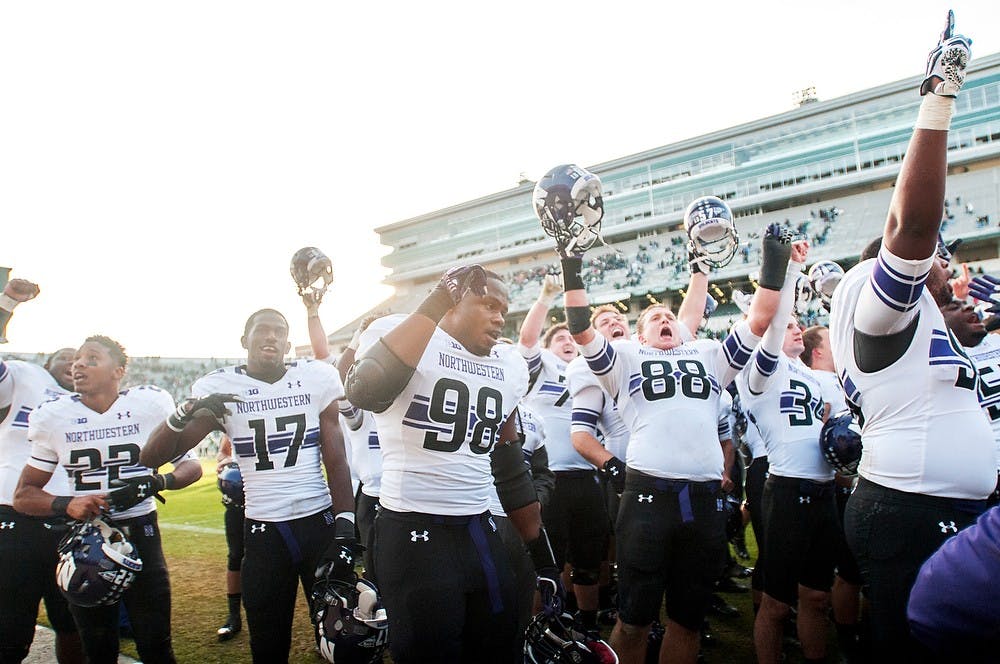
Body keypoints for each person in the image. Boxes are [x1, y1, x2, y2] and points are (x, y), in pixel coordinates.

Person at [557, 204, 797, 663]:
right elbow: (581, 328)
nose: (665, 320)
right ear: (639, 336)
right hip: (648, 497)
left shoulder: (708, 353)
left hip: (703, 497)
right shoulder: (625, 360)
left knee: (689, 617)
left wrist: (774, 262)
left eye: (671, 317)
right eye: (654, 319)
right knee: (634, 618)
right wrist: (572, 265)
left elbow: (762, 317)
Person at [828, 13, 995, 659]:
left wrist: (960, 325)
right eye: (939, 261)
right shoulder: (879, 304)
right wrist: (939, 99)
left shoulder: (921, 321)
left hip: (934, 503)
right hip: (911, 509)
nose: (948, 269)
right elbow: (913, 226)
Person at [343, 266, 560, 663]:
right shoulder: (405, 335)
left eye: (504, 308)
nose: (500, 317)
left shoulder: (507, 365)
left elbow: (509, 464)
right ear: (454, 304)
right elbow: (366, 389)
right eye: (488, 304)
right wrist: (439, 295)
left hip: (479, 529)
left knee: (499, 649)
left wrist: (541, 554)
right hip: (412, 530)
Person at [139, 308, 355, 664]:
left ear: (288, 343)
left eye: (279, 331)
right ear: (245, 340)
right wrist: (183, 413)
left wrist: (345, 526)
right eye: (262, 330)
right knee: (268, 644)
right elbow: (151, 456)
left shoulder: (316, 377)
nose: (271, 336)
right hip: (263, 531)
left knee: (341, 638)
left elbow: (336, 460)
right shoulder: (221, 388)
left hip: (317, 524)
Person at [14, 335, 203, 664]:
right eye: (76, 359)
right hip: (85, 541)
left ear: (118, 371)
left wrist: (155, 482)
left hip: (142, 533)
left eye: (91, 358)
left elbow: (191, 466)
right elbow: (24, 495)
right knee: (98, 647)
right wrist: (66, 504)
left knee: (156, 644)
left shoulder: (148, 405)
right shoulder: (54, 416)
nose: (78, 364)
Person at [736, 238, 846, 664]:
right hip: (786, 491)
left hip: (824, 492)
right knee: (778, 604)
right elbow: (773, 328)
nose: (797, 327)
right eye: (791, 325)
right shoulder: (760, 374)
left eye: (802, 323)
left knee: (817, 596)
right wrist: (792, 273)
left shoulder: (816, 378)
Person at [517, 274, 608, 631]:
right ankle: (540, 628)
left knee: (588, 558)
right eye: (560, 338)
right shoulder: (540, 367)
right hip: (549, 477)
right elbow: (526, 340)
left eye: (573, 337)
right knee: (546, 561)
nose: (569, 342)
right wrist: (545, 297)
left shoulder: (593, 368)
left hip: (588, 476)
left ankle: (587, 624)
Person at [0, 278, 82, 664]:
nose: (74, 361)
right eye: (65, 355)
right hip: (14, 516)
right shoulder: (23, 378)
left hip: (70, 517)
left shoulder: (91, 404)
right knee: (11, 624)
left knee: (74, 622)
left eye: (81, 357)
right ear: (46, 362)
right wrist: (7, 304)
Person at [800, 324, 865, 660]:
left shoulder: (837, 380)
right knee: (847, 567)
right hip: (840, 485)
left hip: (852, 482)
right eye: (831, 341)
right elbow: (823, 438)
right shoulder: (818, 382)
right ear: (819, 351)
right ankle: (846, 633)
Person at [213, 434, 244, 641]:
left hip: (271, 496)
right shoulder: (235, 414)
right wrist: (226, 461)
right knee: (235, 556)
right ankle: (234, 615)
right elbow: (223, 452)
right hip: (238, 500)